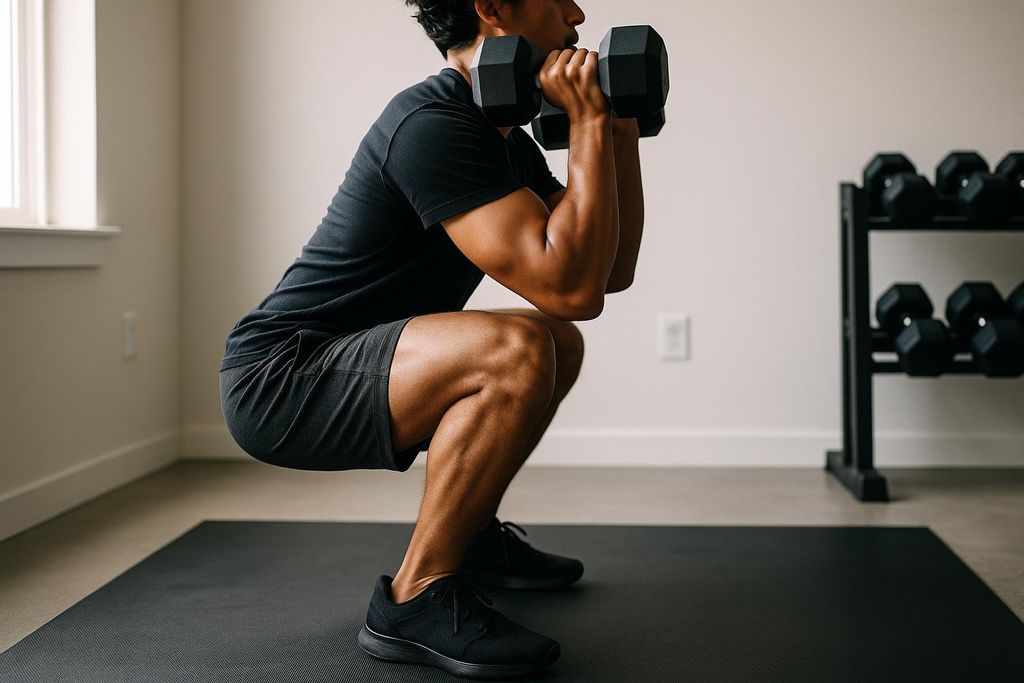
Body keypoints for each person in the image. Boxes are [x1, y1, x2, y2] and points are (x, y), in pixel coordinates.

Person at [219, 0, 645, 676]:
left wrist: (614, 131)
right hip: (283, 377)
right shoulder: (434, 124)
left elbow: (606, 271)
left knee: (557, 341)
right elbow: (571, 287)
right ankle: (414, 595)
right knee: (521, 346)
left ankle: (469, 537)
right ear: (495, 9)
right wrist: (588, 119)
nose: (577, 11)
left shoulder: (500, 136)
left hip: (356, 361)